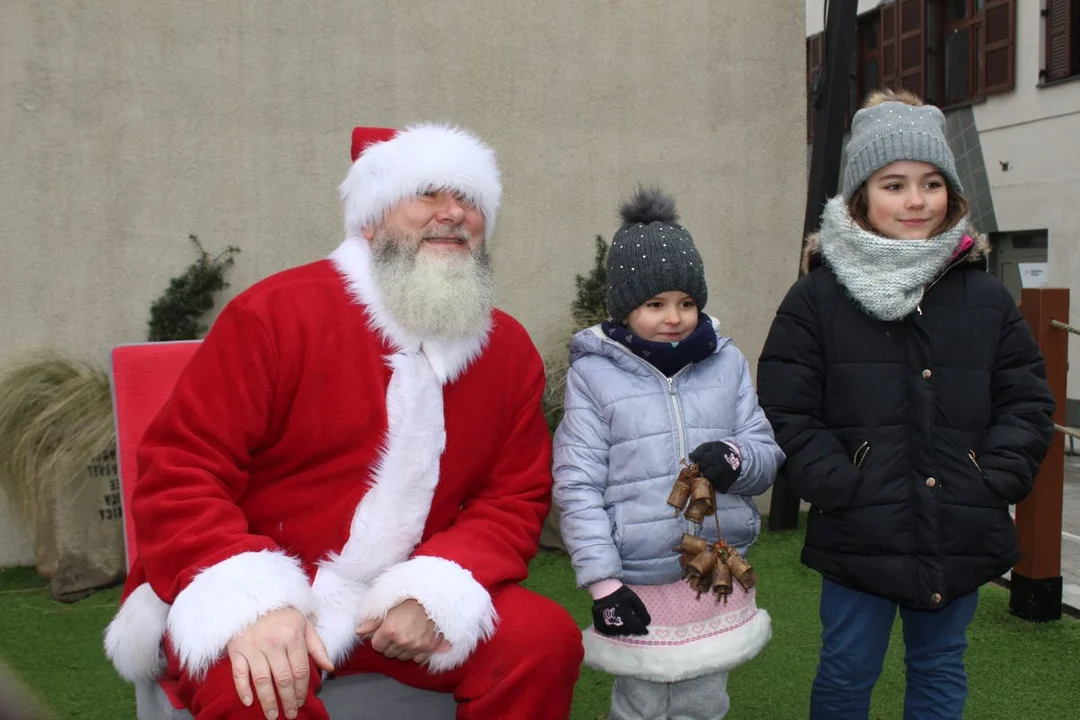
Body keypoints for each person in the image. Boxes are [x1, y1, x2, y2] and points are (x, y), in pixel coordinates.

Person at [103, 122, 583, 720]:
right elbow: (181, 472)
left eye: (470, 200)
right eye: (427, 194)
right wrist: (256, 604)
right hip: (266, 591)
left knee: (541, 642)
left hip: (400, 600)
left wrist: (431, 591)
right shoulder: (274, 316)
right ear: (371, 217)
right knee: (255, 691)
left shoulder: (505, 349)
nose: (454, 214)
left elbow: (513, 495)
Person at [757, 90, 1056, 720]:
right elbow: (787, 406)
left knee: (941, 669)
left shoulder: (985, 297)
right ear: (861, 196)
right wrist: (836, 481)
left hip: (958, 527)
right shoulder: (816, 298)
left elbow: (1026, 397)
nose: (916, 201)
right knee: (846, 670)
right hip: (859, 527)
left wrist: (994, 475)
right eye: (894, 184)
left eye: (931, 183)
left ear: (952, 192)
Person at [552, 187, 782, 720]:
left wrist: (738, 459)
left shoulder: (726, 364)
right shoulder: (593, 376)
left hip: (712, 568)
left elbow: (765, 450)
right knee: (641, 701)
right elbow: (577, 484)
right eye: (655, 304)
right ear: (624, 308)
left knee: (705, 698)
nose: (673, 317)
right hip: (635, 575)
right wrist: (604, 584)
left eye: (686, 302)